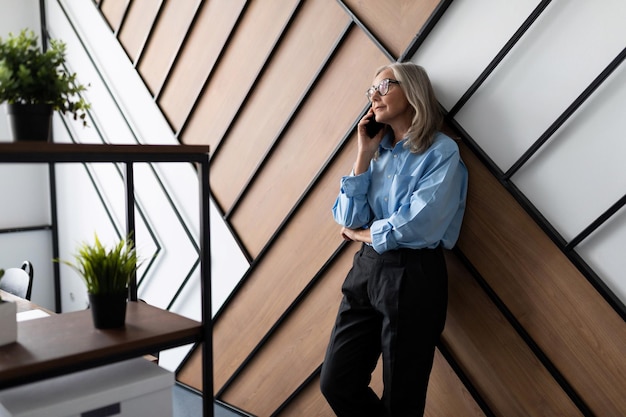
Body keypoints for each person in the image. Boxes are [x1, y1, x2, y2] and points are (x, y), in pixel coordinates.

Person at [319, 62, 468, 417]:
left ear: (412, 89)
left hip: (414, 273)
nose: (374, 95)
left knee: (402, 398)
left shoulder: (441, 151)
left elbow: (418, 225)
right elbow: (346, 215)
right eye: (371, 90)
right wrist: (362, 154)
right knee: (336, 381)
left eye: (384, 86)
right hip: (366, 270)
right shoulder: (377, 150)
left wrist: (360, 234)